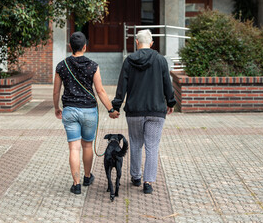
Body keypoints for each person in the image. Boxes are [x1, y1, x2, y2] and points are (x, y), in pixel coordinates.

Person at [110, 29, 176, 194]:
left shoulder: (129, 61)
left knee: (136, 143)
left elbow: (122, 86)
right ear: (151, 43)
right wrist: (171, 102)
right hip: (156, 111)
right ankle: (148, 183)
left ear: (137, 43)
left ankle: (136, 177)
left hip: (135, 111)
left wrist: (116, 106)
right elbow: (167, 84)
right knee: (152, 146)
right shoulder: (161, 60)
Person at [53, 31, 117, 195]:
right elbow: (101, 91)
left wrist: (56, 107)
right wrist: (111, 109)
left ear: (70, 47)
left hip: (70, 110)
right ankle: (87, 177)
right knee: (87, 145)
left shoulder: (61, 65)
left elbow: (56, 91)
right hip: (89, 110)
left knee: (74, 148)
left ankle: (76, 184)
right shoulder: (93, 65)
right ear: (85, 47)